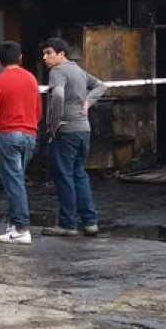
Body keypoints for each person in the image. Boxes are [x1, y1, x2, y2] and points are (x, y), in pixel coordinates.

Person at [40, 37, 106, 237]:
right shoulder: (77, 70)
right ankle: (90, 221)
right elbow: (101, 86)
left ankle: (67, 223)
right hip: (83, 130)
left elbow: (58, 96)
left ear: (61, 54)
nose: (45, 57)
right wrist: (87, 102)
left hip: (66, 130)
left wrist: (54, 124)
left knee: (64, 176)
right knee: (79, 174)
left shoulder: (57, 72)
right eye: (43, 53)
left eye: (49, 52)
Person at [0, 41, 42, 245]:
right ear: (20, 58)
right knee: (18, 179)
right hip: (29, 133)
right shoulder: (31, 79)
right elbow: (38, 110)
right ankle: (14, 223)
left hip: (8, 134)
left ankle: (20, 227)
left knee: (13, 182)